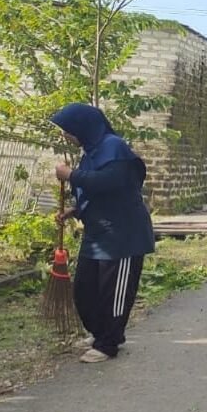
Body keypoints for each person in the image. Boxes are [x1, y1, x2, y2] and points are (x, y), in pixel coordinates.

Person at [50, 103, 156, 364]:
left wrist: (70, 174)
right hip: (98, 234)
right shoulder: (91, 151)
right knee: (85, 291)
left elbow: (110, 182)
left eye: (68, 130)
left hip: (123, 236)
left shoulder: (113, 146)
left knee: (113, 294)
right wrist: (75, 210)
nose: (66, 136)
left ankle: (109, 342)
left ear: (83, 127)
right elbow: (100, 192)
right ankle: (99, 333)